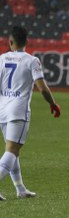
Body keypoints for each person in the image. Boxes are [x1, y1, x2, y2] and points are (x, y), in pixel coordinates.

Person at [0, 26, 61, 201]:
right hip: (18, 111)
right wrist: (53, 104)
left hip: (2, 111)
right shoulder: (32, 61)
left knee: (12, 150)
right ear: (27, 42)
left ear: (10, 42)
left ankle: (20, 189)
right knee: (12, 151)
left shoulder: (2, 59)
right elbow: (42, 88)